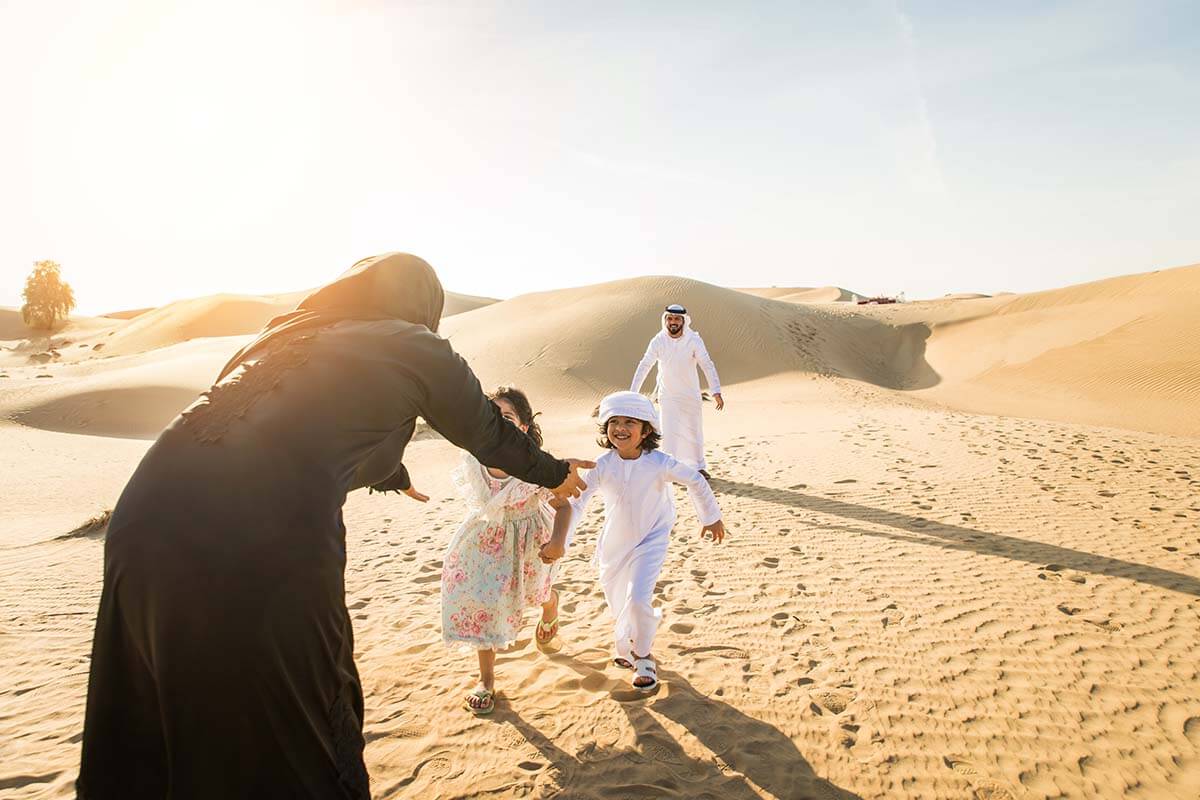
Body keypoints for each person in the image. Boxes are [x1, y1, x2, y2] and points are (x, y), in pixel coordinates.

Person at [76, 253, 593, 800]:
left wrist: (392, 474)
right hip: (261, 534)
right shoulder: (416, 345)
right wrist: (555, 474)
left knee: (150, 722)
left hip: (142, 520)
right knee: (308, 727)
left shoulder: (279, 337)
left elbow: (282, 426)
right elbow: (488, 433)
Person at [566, 391, 726, 691]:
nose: (621, 428)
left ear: (646, 429)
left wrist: (710, 517)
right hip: (615, 545)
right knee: (618, 603)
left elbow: (695, 479)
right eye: (614, 421)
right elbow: (578, 501)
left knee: (638, 599)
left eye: (629, 422)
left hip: (651, 539)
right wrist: (562, 540)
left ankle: (643, 656)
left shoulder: (659, 462)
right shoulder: (602, 464)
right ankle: (627, 645)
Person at [441, 386, 572, 716]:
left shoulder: (536, 465)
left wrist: (557, 542)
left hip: (529, 541)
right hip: (485, 541)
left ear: (524, 427)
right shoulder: (474, 460)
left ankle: (551, 604)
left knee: (536, 592)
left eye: (509, 418)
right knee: (483, 604)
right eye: (493, 417)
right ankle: (486, 680)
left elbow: (563, 505)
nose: (500, 425)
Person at [629, 303, 724, 479]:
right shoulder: (658, 340)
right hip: (668, 396)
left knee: (693, 431)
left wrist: (715, 391)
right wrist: (633, 393)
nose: (673, 322)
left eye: (677, 319)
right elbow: (645, 365)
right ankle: (669, 469)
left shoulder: (693, 340)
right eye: (670, 319)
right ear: (665, 320)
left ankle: (698, 467)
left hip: (690, 395)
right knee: (669, 433)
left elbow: (707, 365)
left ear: (683, 321)